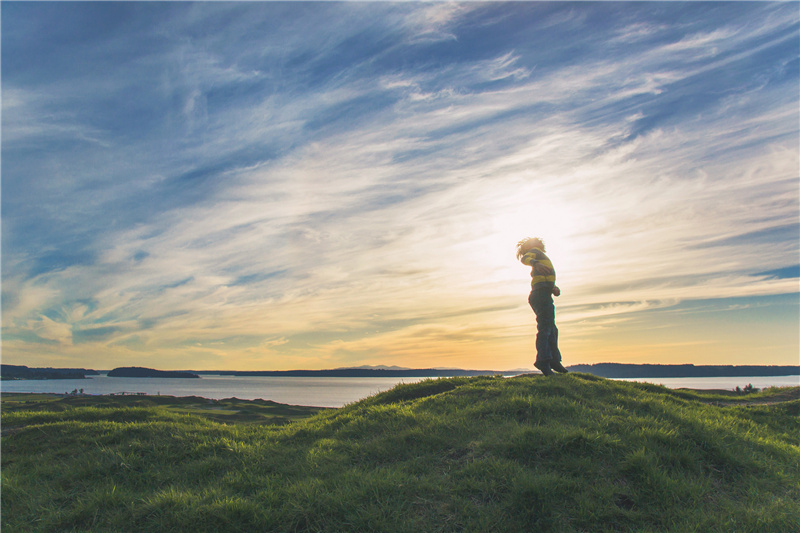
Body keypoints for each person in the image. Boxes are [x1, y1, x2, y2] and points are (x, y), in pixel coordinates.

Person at [516, 237, 568, 376]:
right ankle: (543, 361)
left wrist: (553, 287)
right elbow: (525, 259)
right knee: (545, 328)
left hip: (544, 293)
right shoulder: (535, 253)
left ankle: (554, 360)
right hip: (540, 295)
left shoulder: (541, 255)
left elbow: (543, 277)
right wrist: (535, 263)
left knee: (551, 328)